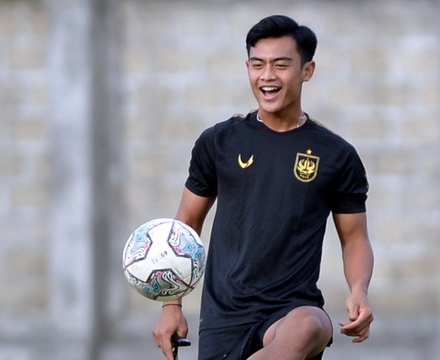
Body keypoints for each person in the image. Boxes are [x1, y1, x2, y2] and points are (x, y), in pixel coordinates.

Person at [152, 14, 374, 360]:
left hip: (291, 312)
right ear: (248, 68)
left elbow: (355, 237)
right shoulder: (218, 142)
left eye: (281, 65)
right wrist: (171, 304)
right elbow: (185, 225)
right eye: (258, 65)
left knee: (310, 324)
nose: (267, 76)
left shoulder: (336, 155)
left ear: (307, 70)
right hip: (223, 319)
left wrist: (358, 291)